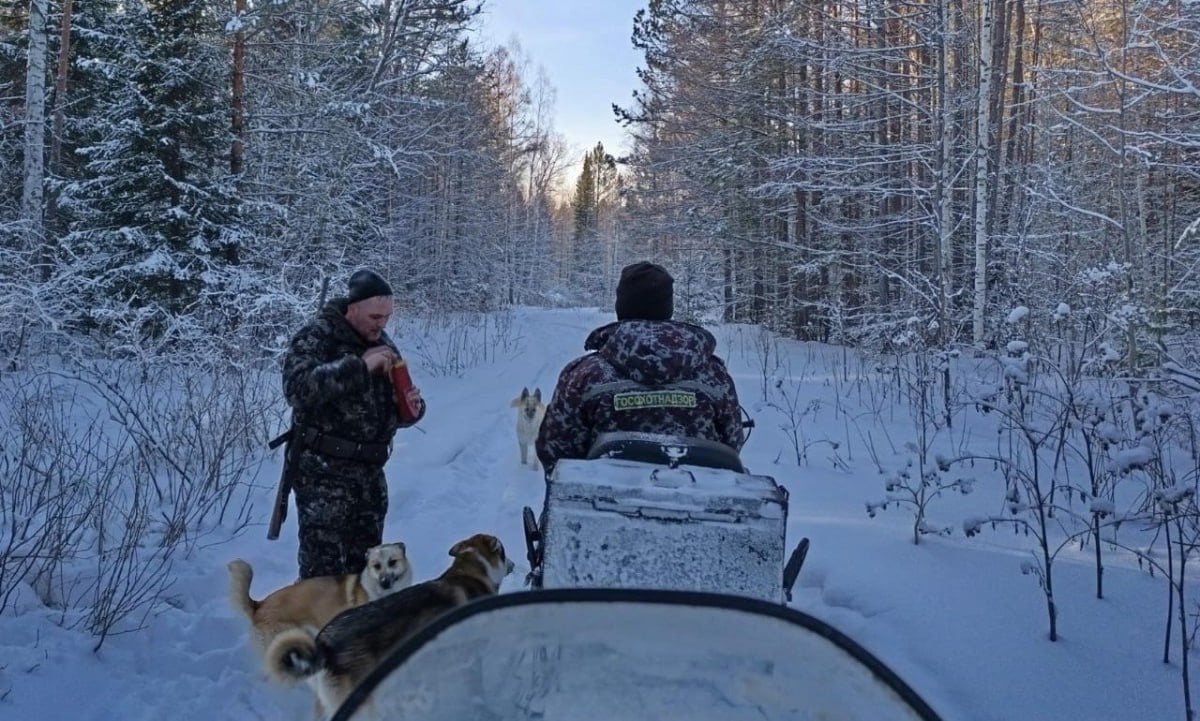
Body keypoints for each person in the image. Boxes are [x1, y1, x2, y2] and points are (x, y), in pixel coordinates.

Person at [535, 261, 744, 477]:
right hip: (697, 501)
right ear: (667, 307)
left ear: (621, 306)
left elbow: (555, 451)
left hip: (603, 503)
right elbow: (731, 443)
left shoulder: (584, 375)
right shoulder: (714, 373)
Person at [280, 269, 425, 579]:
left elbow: (388, 407)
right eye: (375, 316)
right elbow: (297, 388)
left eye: (387, 317)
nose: (382, 324)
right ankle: (318, 629)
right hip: (324, 477)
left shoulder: (382, 341)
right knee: (323, 580)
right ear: (353, 307)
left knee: (367, 578)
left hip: (369, 478)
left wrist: (410, 407)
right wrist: (359, 366)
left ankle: (358, 628)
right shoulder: (318, 337)